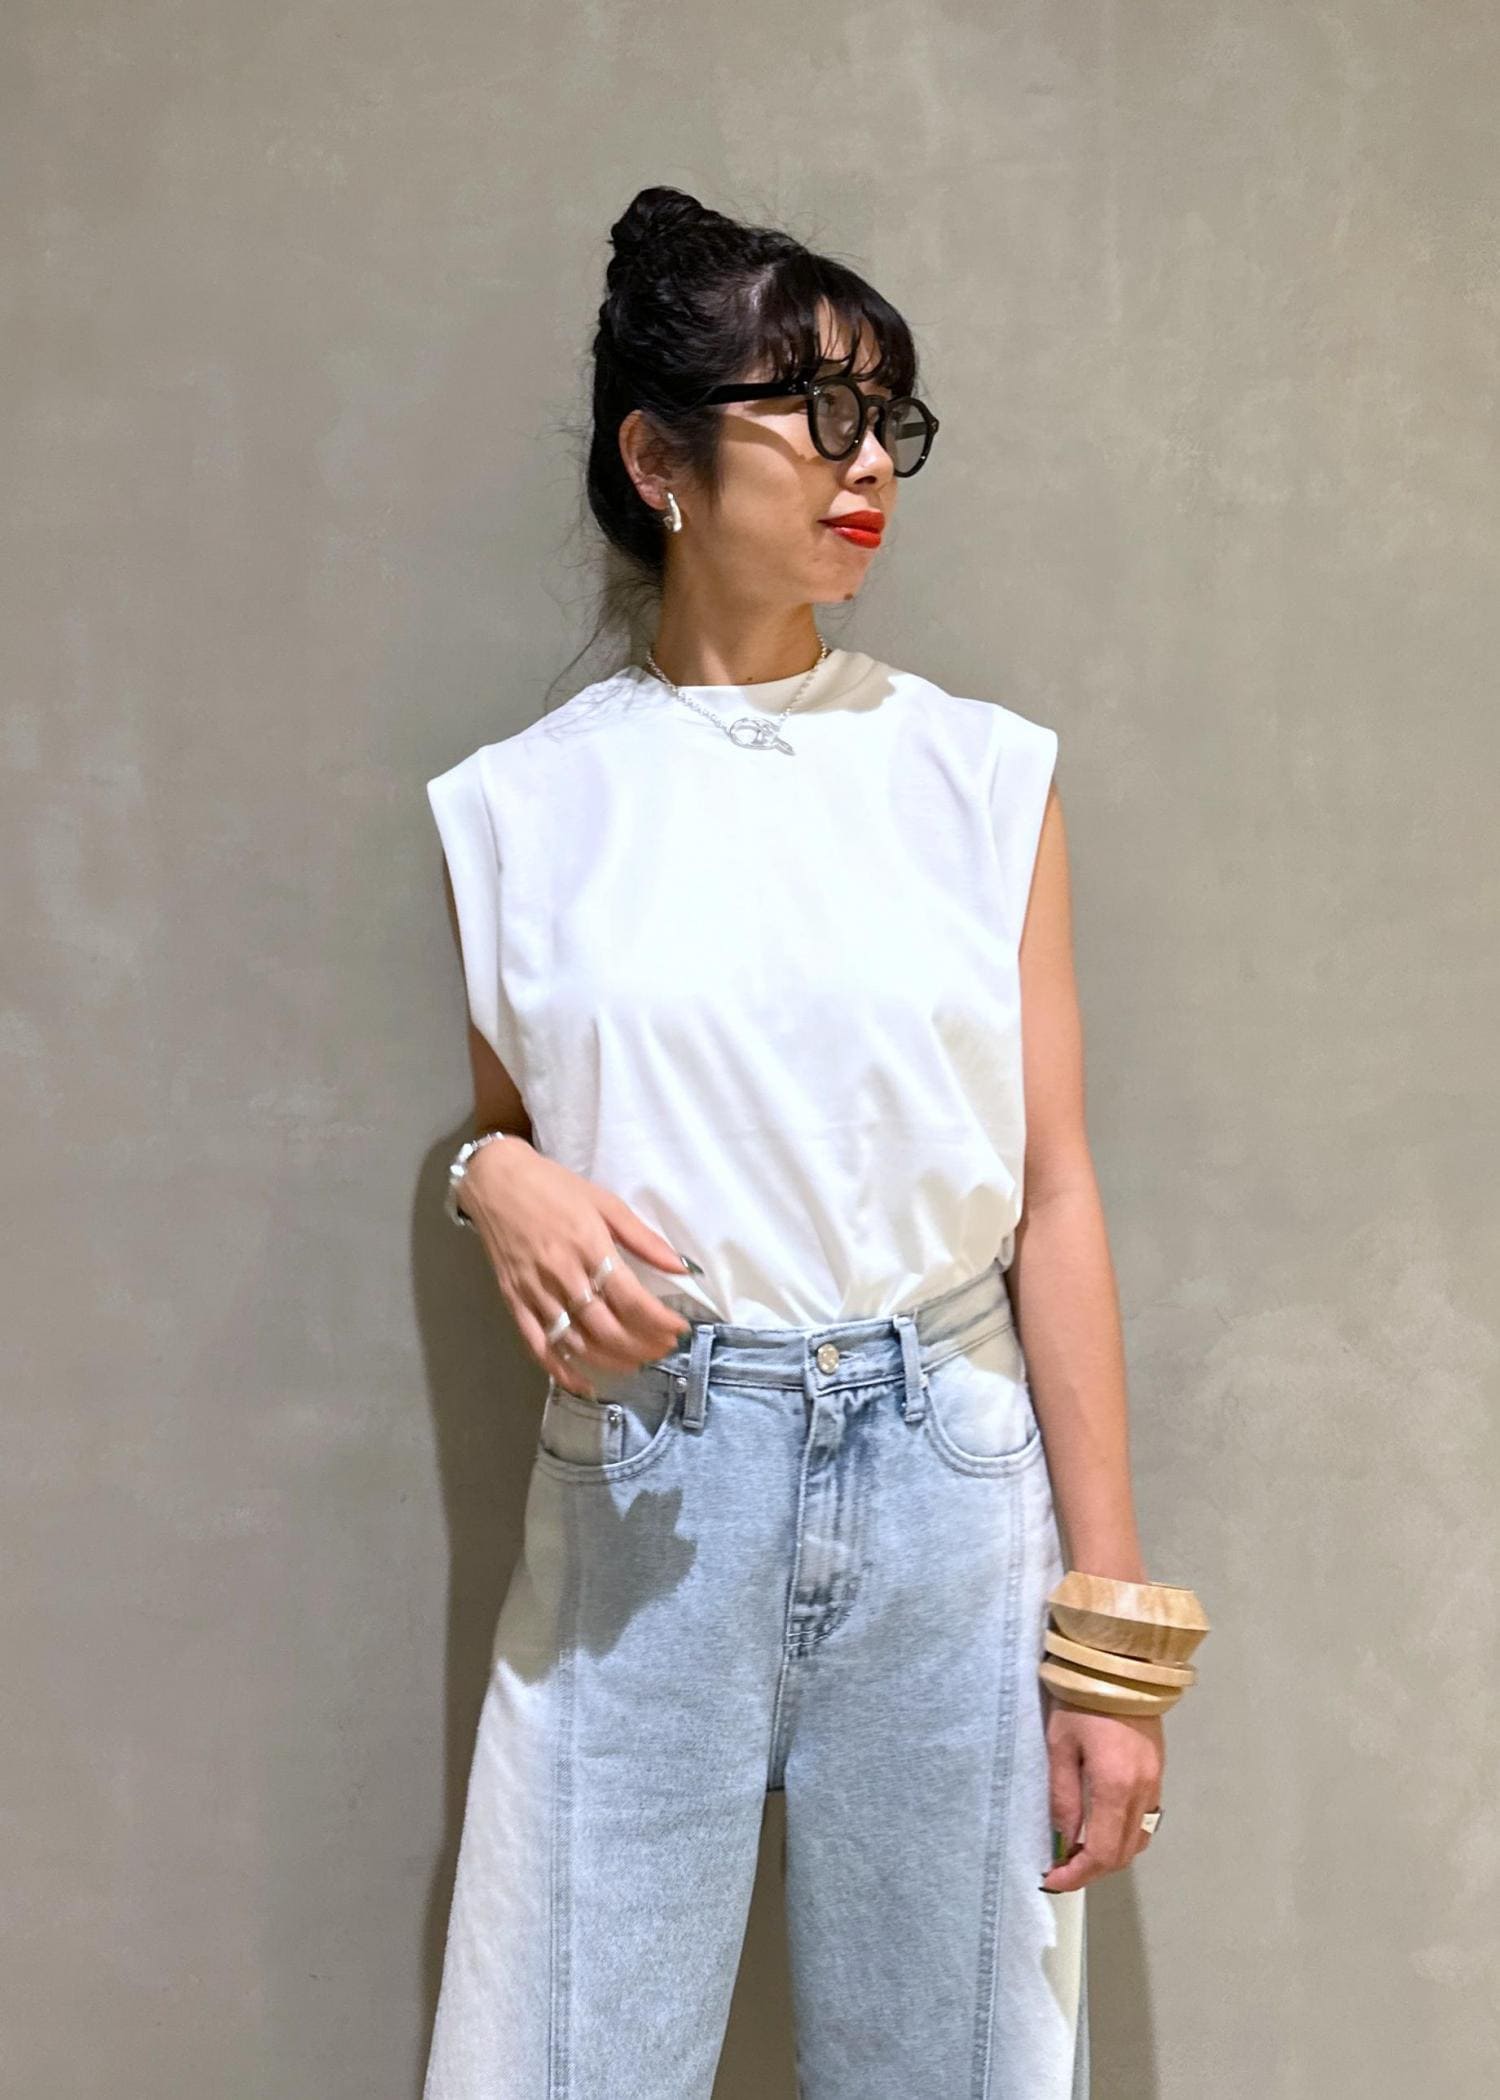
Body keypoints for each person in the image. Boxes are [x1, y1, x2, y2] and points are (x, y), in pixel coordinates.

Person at [420, 185, 1168, 2100]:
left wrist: (1108, 1640)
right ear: (656, 458)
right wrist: (488, 1178)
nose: (870, 463)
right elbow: (514, 1132)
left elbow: (1055, 1192)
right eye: (818, 411)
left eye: (888, 416)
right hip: (649, 1488)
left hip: (947, 1484)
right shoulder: (518, 812)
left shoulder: (983, 777)